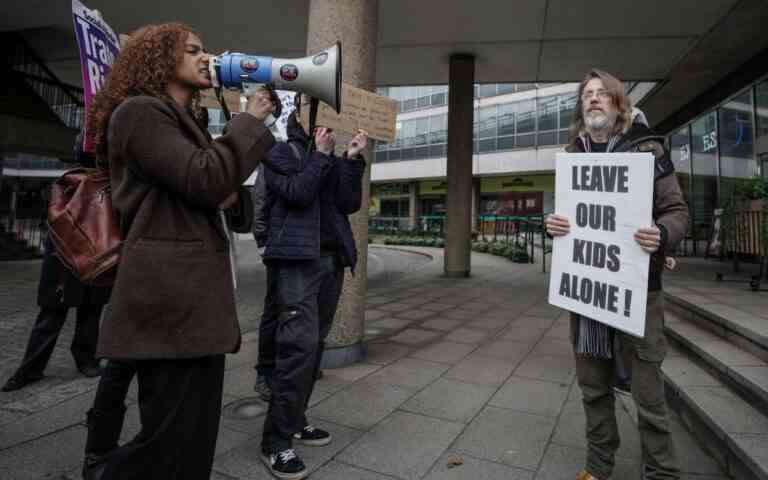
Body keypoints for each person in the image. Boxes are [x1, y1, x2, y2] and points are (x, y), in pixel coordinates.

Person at [81, 22, 275, 480]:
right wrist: (249, 122)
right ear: (159, 60)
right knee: (169, 445)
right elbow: (206, 180)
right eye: (192, 50)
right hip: (169, 306)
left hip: (195, 311)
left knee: (193, 445)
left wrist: (224, 168)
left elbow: (227, 197)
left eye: (205, 50)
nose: (205, 57)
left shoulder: (189, 124)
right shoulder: (138, 113)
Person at [545, 69, 689, 480]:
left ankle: (662, 473)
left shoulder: (647, 150)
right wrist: (549, 224)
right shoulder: (573, 156)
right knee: (592, 388)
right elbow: (564, 218)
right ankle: (599, 466)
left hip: (638, 293)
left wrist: (661, 234)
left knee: (648, 394)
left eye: (601, 94)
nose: (593, 100)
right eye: (587, 95)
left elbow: (678, 213)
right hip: (588, 297)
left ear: (618, 103)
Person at [259, 95, 367, 479]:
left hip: (330, 260)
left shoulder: (327, 152)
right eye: (312, 105)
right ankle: (276, 442)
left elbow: (348, 203)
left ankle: (295, 420)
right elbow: (297, 194)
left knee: (314, 345)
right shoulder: (278, 150)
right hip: (297, 263)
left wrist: (351, 160)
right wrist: (322, 157)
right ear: (298, 114)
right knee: (297, 348)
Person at [1, 133, 108, 393]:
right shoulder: (70, 182)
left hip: (92, 255)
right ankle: (34, 367)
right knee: (55, 314)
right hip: (67, 257)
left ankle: (82, 360)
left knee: (88, 313)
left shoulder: (105, 183)